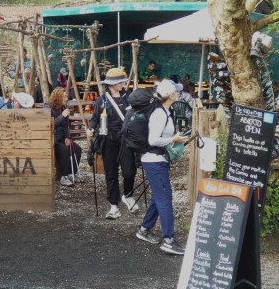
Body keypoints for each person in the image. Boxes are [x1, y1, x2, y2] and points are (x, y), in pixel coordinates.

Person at [135, 79, 190, 255]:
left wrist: (174, 138)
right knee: (165, 198)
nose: (179, 93)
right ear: (171, 95)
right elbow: (153, 140)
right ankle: (168, 240)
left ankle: (144, 229)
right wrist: (173, 139)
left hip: (156, 160)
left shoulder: (164, 111)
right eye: (177, 91)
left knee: (159, 196)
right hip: (154, 160)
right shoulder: (160, 113)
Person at [90, 67, 136, 218]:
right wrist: (91, 129)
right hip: (109, 140)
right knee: (111, 173)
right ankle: (114, 205)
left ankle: (128, 195)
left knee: (129, 171)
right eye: (120, 81)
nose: (123, 84)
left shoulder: (128, 97)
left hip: (126, 139)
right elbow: (95, 119)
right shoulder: (101, 100)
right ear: (112, 84)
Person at [49, 87, 81, 187]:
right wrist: (62, 116)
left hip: (62, 137)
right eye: (64, 96)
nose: (66, 98)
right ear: (58, 97)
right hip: (53, 139)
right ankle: (64, 176)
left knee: (77, 149)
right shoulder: (49, 108)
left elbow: (66, 126)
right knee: (65, 151)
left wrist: (67, 137)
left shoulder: (63, 108)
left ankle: (72, 173)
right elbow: (51, 125)